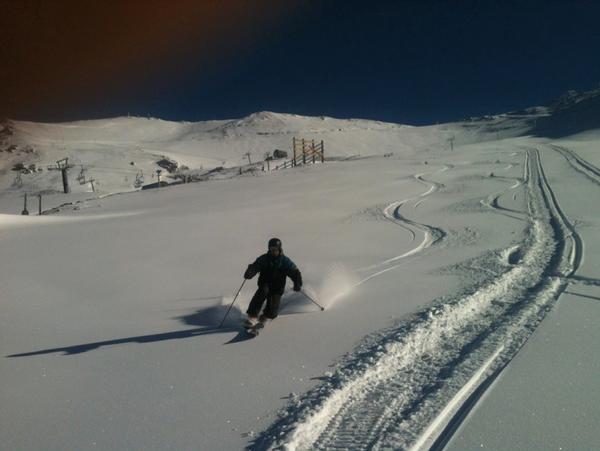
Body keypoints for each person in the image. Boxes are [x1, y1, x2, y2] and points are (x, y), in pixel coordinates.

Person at [244, 238, 302, 327]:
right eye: (271, 249)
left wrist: (297, 283)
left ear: (279, 249)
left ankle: (264, 318)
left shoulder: (285, 261)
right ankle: (252, 316)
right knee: (263, 291)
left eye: (275, 249)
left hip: (277, 288)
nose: (273, 251)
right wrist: (250, 272)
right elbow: (255, 266)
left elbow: (295, 272)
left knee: (272, 311)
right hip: (265, 283)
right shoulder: (264, 258)